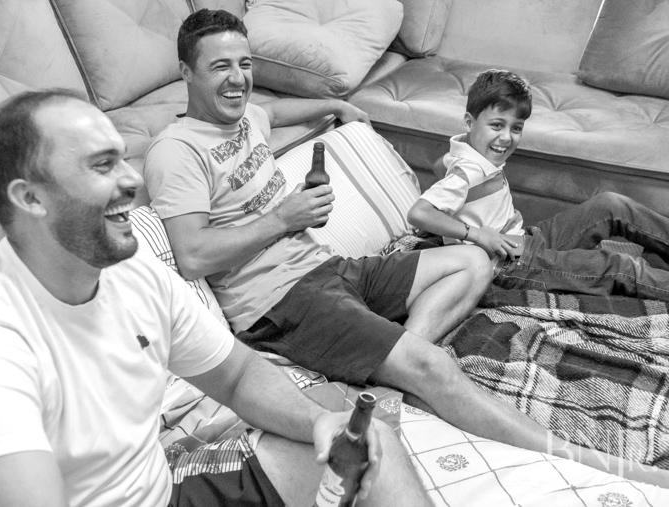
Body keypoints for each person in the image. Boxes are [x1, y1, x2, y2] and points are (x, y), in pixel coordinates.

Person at [144, 10, 669, 487]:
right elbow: (193, 255)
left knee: (475, 260)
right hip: (282, 304)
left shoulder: (248, 117)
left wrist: (338, 104)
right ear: (187, 72)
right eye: (219, 67)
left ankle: (398, 358)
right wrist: (283, 218)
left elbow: (277, 112)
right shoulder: (177, 151)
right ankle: (600, 464)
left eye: (244, 64)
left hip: (331, 270)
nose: (238, 78)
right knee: (434, 366)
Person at [0, 90, 431, 507]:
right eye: (102, 165)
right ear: (30, 198)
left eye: (123, 158)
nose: (133, 179)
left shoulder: (133, 273)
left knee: (370, 448)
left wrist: (320, 422)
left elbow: (237, 375)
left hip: (164, 493)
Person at [408, 68, 669, 303]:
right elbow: (419, 213)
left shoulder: (467, 147)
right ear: (469, 121)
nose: (506, 137)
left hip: (525, 238)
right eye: (497, 125)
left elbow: (440, 166)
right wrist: (476, 234)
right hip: (511, 263)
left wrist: (452, 165)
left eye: (516, 128)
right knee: (619, 267)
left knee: (611, 205)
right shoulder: (467, 172)